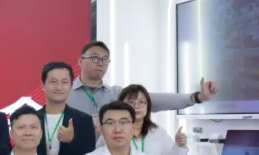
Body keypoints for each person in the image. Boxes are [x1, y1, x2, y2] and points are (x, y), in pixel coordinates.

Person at [67, 41, 217, 116]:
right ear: (80, 61)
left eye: (105, 59)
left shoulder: (118, 94)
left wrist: (197, 97)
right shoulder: (64, 94)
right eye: (94, 57)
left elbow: (156, 100)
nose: (100, 63)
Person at [118, 84, 189, 155]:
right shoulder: (112, 133)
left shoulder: (158, 133)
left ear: (148, 106)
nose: (136, 106)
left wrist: (179, 146)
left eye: (141, 102)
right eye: (131, 102)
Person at [36, 62, 96, 155]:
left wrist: (72, 140)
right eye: (53, 82)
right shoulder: (32, 118)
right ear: (43, 84)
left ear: (71, 85)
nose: (59, 87)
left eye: (64, 82)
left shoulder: (84, 120)